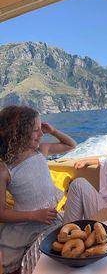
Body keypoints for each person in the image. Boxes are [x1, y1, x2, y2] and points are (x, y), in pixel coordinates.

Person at [0, 105, 77, 274]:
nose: (41, 134)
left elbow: (71, 145)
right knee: (8, 265)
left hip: (49, 220)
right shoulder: (5, 169)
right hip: (24, 223)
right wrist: (34, 215)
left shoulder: (41, 150)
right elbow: (1, 213)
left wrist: (54, 131)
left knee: (52, 259)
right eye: (36, 130)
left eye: (41, 129)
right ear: (17, 134)